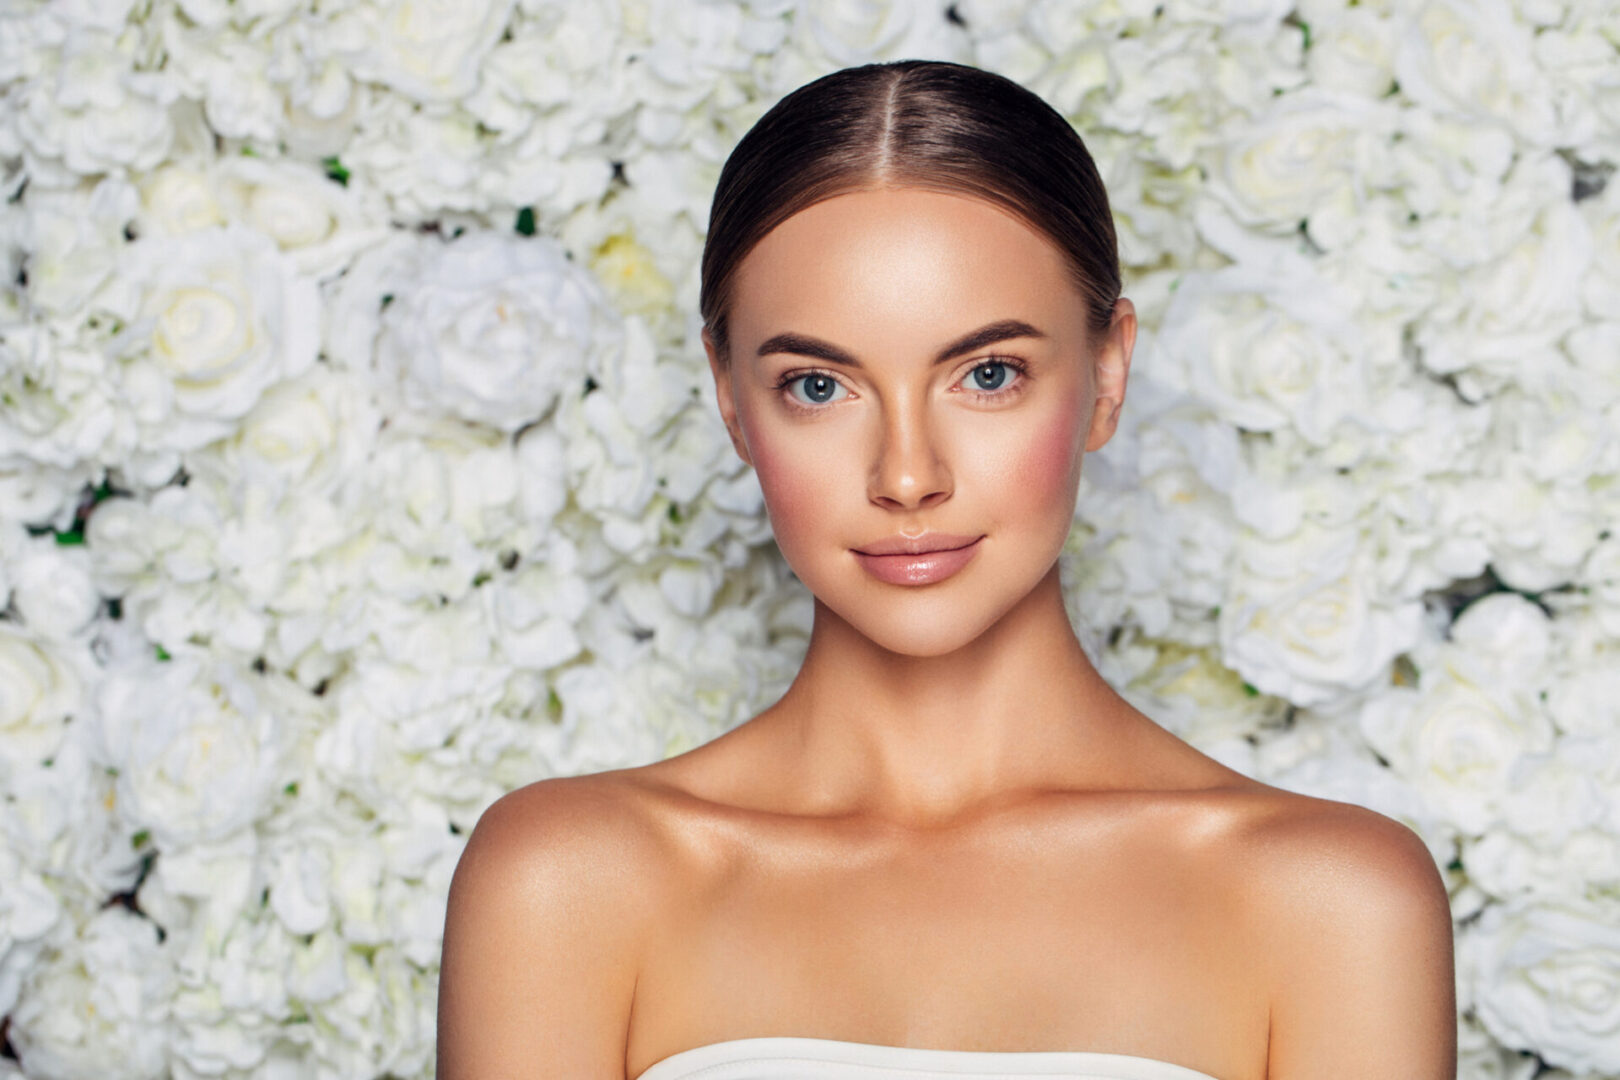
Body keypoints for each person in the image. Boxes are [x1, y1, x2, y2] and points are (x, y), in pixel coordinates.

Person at [435, 60, 1457, 1080]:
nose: (908, 474)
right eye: (819, 385)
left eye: (988, 374)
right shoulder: (568, 883)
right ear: (732, 399)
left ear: (1108, 376)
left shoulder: (1329, 905)